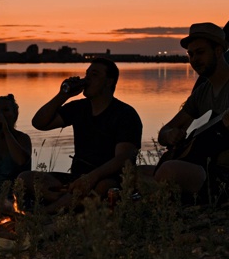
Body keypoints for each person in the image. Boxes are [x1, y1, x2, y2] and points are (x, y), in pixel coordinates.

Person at [154, 22, 229, 205]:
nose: (194, 60)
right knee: (136, 172)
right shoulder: (202, 91)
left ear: (218, 51)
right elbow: (164, 133)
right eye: (190, 54)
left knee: (169, 171)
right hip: (204, 170)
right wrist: (170, 135)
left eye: (200, 52)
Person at [18, 58, 143, 214]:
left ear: (109, 82)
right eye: (87, 74)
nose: (87, 78)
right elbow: (39, 123)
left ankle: (45, 214)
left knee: (103, 187)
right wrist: (63, 95)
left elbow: (124, 157)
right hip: (77, 179)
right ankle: (69, 202)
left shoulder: (125, 114)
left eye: (94, 74)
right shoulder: (79, 108)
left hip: (106, 180)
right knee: (25, 178)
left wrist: (91, 177)